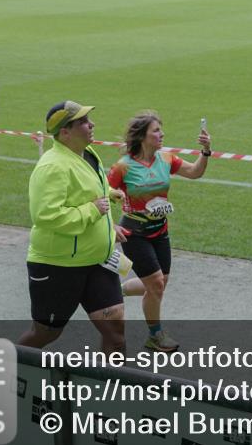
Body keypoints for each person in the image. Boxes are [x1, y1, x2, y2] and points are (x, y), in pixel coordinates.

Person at [17, 101, 127, 354]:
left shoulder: (87, 153)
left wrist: (109, 193)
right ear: (65, 132)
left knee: (116, 332)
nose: (92, 125)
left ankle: (107, 390)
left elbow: (86, 190)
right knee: (45, 334)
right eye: (84, 122)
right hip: (58, 266)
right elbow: (46, 215)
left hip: (98, 260)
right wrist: (93, 209)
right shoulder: (52, 166)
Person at [108, 111, 211, 352]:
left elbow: (195, 172)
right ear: (143, 136)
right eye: (156, 130)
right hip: (134, 233)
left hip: (160, 231)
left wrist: (205, 152)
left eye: (161, 129)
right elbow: (100, 193)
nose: (161, 133)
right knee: (155, 284)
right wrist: (111, 225)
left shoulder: (166, 159)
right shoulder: (123, 167)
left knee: (159, 284)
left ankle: (116, 290)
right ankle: (155, 336)